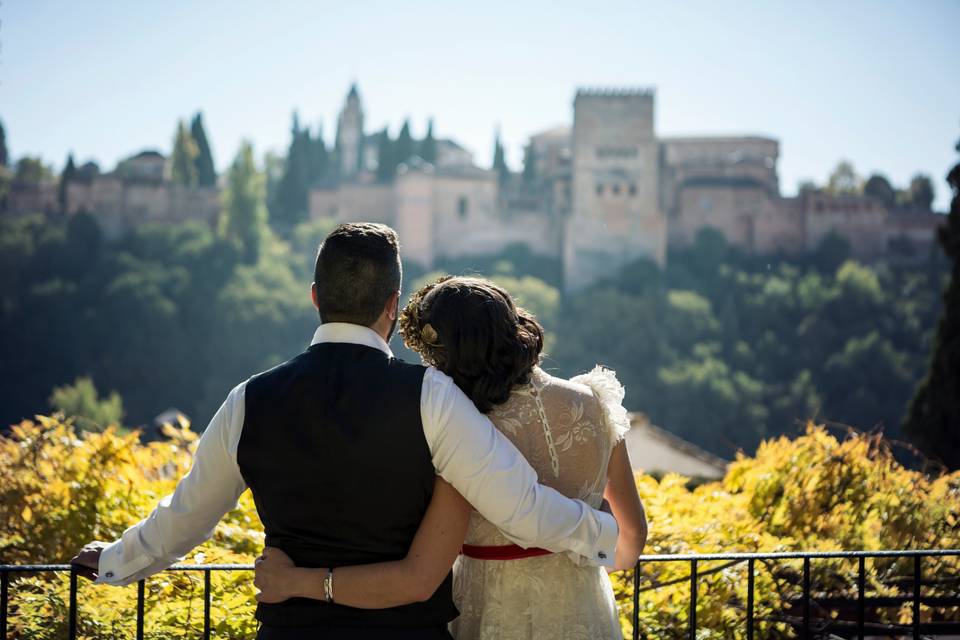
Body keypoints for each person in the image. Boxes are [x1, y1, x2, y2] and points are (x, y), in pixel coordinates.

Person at [70, 223, 618, 640]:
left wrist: (114, 559)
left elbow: (183, 520)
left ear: (315, 297)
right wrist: (603, 536)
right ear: (391, 306)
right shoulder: (432, 398)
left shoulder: (248, 401)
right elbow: (520, 507)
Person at [254, 276, 648, 639]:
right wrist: (572, 563)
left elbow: (421, 568)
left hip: (488, 608)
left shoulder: (460, 428)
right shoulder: (595, 404)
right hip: (585, 609)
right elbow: (630, 546)